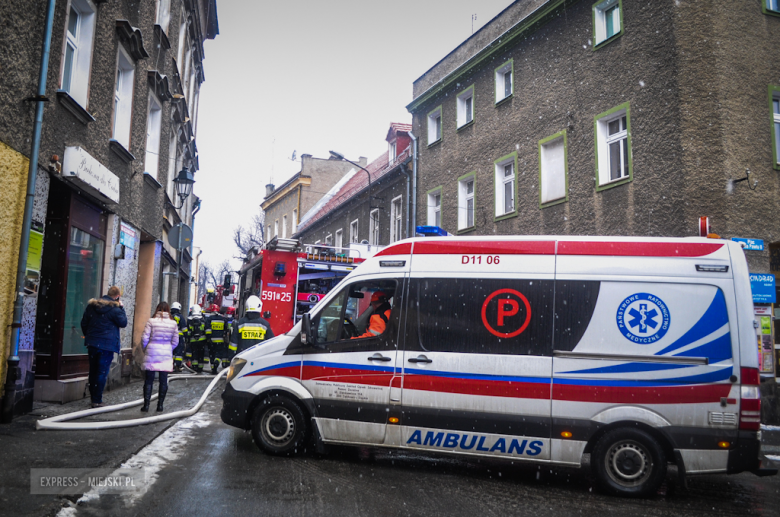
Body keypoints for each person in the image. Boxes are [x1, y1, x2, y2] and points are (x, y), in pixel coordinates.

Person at [81, 286, 127, 408]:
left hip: (93, 344)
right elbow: (123, 323)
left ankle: (93, 398)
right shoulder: (116, 309)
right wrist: (121, 308)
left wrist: (89, 336)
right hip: (107, 345)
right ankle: (97, 400)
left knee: (93, 371)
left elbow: (84, 322)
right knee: (101, 372)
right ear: (117, 297)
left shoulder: (92, 306)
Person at [140, 302, 179, 412]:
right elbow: (176, 341)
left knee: (149, 380)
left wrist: (146, 348)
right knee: (163, 380)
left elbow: (144, 338)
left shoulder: (151, 321)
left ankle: (146, 405)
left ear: (157, 309)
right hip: (166, 354)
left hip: (152, 351)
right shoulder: (173, 323)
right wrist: (168, 349)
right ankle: (160, 405)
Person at [205, 304, 229, 374]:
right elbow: (226, 329)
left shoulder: (209, 319)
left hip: (212, 341)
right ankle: (217, 363)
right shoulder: (223, 318)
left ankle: (213, 369)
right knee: (219, 354)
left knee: (212, 354)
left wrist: (208, 339)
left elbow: (207, 330)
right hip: (220, 340)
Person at [188, 305, 207, 373]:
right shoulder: (203, 319)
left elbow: (189, 331)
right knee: (201, 354)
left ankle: (194, 367)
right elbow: (206, 329)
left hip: (193, 340)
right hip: (202, 340)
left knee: (194, 354)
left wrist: (188, 339)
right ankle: (200, 368)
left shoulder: (190, 319)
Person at [170, 302, 188, 372]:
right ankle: (177, 365)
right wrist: (186, 336)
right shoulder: (180, 317)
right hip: (178, 337)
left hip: (169, 337)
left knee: (171, 352)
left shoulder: (169, 316)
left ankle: (170, 365)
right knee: (179, 352)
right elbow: (184, 328)